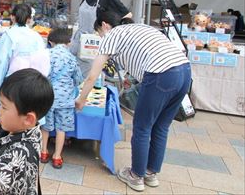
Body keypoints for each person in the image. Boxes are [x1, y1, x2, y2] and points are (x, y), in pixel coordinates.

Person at [75, 11, 191, 192]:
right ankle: (151, 174)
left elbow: (92, 76)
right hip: (184, 71)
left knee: (142, 127)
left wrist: (81, 100)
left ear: (105, 25)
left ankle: (136, 176)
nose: (100, 37)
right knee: (161, 126)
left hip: (160, 74)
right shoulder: (140, 27)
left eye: (99, 33)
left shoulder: (111, 35)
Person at [0, 4, 50, 108]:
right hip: (34, 84)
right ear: (29, 19)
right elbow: (44, 64)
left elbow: (0, 63)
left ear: (12, 17)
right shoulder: (37, 36)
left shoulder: (9, 35)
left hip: (14, 84)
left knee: (14, 113)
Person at [70, 0, 131, 76]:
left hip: (94, 42)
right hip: (79, 38)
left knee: (92, 74)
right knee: (75, 71)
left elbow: (128, 15)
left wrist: (111, 30)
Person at [41, 28, 83, 169]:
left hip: (47, 97)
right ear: (69, 43)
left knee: (45, 127)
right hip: (65, 100)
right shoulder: (71, 58)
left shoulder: (46, 54)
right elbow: (78, 79)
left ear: (51, 42)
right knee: (61, 129)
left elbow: (41, 74)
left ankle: (43, 152)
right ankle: (57, 156)